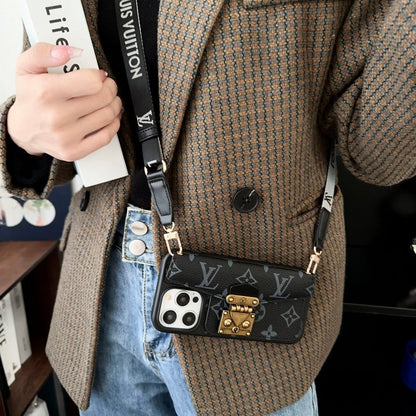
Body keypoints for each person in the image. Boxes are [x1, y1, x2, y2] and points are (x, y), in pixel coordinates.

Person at [1, 0, 415, 415]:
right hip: (97, 290)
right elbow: (56, 107)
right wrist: (25, 134)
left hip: (252, 282)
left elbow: (379, 157)